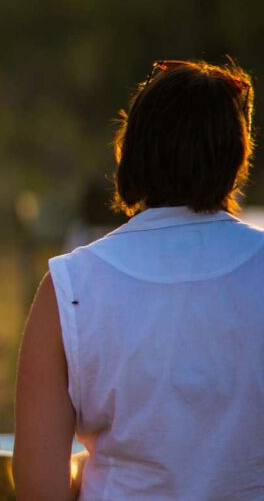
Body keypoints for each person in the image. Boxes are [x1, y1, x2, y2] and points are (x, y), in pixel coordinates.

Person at [14, 59, 264, 500]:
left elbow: (40, 491)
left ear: (132, 150)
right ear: (236, 154)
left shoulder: (70, 287)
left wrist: (88, 472)